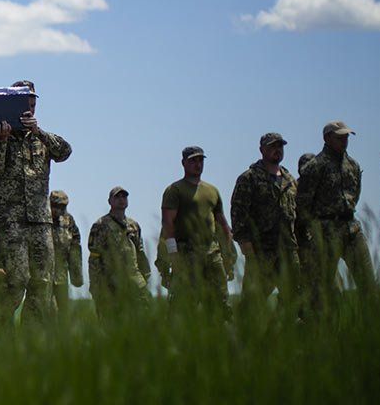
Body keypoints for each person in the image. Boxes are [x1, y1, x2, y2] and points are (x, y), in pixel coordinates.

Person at [0, 80, 73, 322]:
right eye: (24, 105)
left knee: (43, 280)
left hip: (40, 219)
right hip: (10, 219)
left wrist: (39, 132)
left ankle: (30, 337)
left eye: (33, 106)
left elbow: (65, 151)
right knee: (17, 278)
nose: (29, 110)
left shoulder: (40, 138)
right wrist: (2, 140)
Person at [297, 120, 377, 307]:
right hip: (325, 232)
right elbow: (303, 203)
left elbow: (354, 195)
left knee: (368, 284)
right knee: (322, 290)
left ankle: (373, 329)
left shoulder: (353, 165)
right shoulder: (315, 166)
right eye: (339, 137)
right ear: (327, 138)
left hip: (352, 229)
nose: (344, 141)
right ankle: (320, 329)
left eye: (346, 137)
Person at [159, 146, 235, 315]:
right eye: (193, 160)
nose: (197, 164)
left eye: (200, 160)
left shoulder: (212, 191)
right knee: (183, 306)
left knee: (220, 304)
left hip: (212, 254)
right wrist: (173, 254)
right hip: (186, 255)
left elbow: (222, 223)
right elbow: (167, 223)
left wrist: (228, 253)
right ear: (183, 163)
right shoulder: (175, 190)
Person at [230, 132, 301, 304]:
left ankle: (281, 329)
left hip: (288, 250)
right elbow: (238, 214)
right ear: (262, 150)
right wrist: (245, 244)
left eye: (280, 146)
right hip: (261, 250)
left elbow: (296, 215)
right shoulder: (249, 178)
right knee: (253, 303)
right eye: (272, 147)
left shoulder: (290, 180)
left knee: (295, 300)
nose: (277, 150)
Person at [87, 186, 151, 316]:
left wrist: (146, 276)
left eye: (124, 197)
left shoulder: (134, 225)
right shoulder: (100, 225)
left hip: (133, 282)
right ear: (110, 201)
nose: (121, 200)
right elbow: (94, 257)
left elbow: (140, 252)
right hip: (109, 283)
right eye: (117, 197)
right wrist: (94, 285)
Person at [49, 190, 84, 310]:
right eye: (56, 206)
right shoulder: (40, 219)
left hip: (61, 276)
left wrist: (76, 276)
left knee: (63, 310)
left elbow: (75, 247)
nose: (59, 210)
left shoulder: (68, 220)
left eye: (63, 207)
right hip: (42, 276)